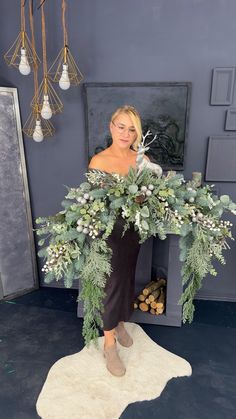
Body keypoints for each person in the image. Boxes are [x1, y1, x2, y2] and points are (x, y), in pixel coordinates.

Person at [89, 105, 149, 377]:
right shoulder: (99, 161)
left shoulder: (140, 159)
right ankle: (109, 344)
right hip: (109, 234)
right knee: (112, 285)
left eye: (132, 128)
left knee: (126, 279)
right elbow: (96, 205)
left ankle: (120, 322)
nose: (126, 133)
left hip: (133, 232)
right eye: (121, 126)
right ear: (112, 126)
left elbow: (148, 196)